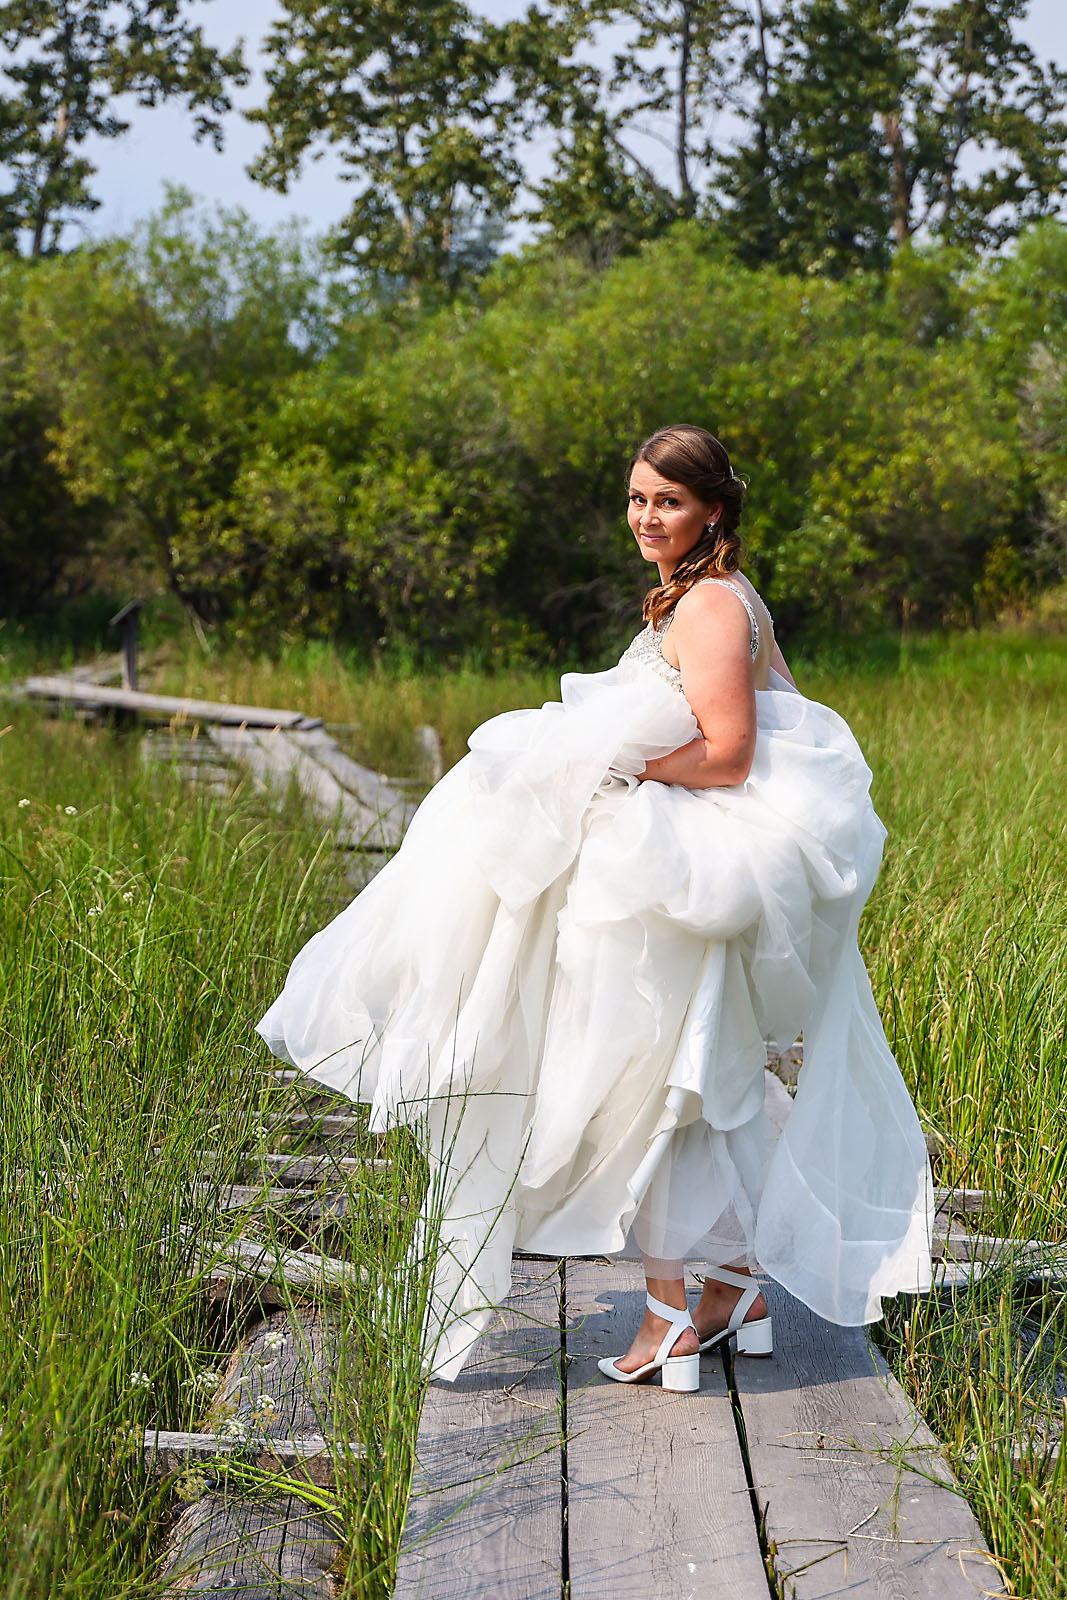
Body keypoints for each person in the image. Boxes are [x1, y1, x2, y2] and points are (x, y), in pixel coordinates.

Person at [257, 423, 934, 1391]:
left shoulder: (706, 605)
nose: (646, 518)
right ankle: (729, 1286)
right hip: (683, 864)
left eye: (666, 500)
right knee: (696, 1070)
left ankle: (671, 1303)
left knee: (644, 1071)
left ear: (711, 509)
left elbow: (730, 754)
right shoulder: (705, 596)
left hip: (682, 874)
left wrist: (613, 765)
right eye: (634, 499)